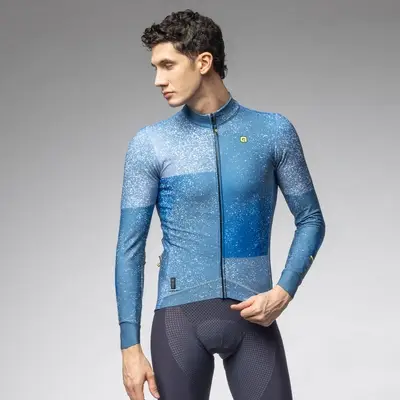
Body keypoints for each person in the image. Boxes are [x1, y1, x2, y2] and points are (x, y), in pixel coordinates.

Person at [114, 9, 325, 400]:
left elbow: (311, 220)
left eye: (167, 65)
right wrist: (130, 347)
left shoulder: (272, 132)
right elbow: (130, 249)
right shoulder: (151, 144)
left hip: (254, 318)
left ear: (203, 61)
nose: (158, 79)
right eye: (155, 67)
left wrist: (283, 291)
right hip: (179, 322)